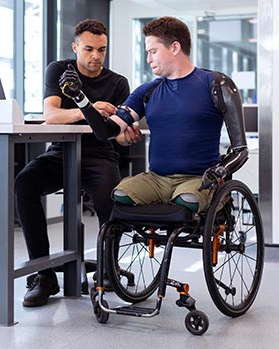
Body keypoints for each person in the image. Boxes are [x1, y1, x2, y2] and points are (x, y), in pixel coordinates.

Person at [59, 16, 248, 214]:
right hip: (156, 179)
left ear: (175, 48)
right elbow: (106, 130)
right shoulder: (146, 92)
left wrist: (220, 172)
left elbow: (240, 150)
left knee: (187, 201)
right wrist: (80, 98)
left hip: (197, 179)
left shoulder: (216, 84)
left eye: (153, 52)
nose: (148, 59)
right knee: (119, 196)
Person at [15, 19, 135, 307]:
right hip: (61, 152)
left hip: (100, 155)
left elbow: (118, 134)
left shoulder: (118, 83)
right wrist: (88, 110)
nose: (96, 56)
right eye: (89, 49)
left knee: (111, 203)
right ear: (75, 47)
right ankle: (43, 275)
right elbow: (51, 115)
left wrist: (124, 134)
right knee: (24, 184)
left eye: (102, 50)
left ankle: (107, 271)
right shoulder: (60, 71)